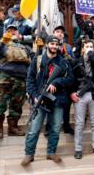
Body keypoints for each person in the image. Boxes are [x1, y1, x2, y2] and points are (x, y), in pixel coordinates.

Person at [21, 35, 74, 166]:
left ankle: (51, 152)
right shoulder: (37, 60)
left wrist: (57, 82)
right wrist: (34, 96)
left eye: (57, 44)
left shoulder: (63, 62)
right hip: (40, 99)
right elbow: (30, 80)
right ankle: (29, 154)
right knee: (34, 128)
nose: (54, 46)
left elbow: (70, 79)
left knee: (55, 128)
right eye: (52, 44)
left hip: (57, 100)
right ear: (47, 45)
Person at [0, 24, 34, 139]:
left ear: (18, 33)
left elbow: (34, 58)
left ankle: (13, 128)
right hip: (4, 77)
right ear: (6, 32)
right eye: (9, 30)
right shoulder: (1, 43)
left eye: (14, 31)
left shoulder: (25, 47)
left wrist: (40, 48)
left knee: (16, 105)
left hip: (21, 78)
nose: (12, 32)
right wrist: (3, 41)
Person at [70, 40, 94, 159]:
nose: (89, 48)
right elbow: (71, 78)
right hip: (80, 95)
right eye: (87, 46)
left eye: (91, 46)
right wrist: (71, 93)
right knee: (80, 123)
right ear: (82, 48)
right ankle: (78, 148)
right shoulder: (76, 61)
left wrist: (93, 57)